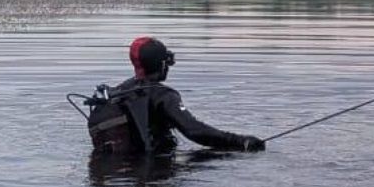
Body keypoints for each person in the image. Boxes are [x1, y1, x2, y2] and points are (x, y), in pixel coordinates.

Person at [86, 37, 265, 155]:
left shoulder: (120, 91)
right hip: (153, 168)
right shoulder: (163, 96)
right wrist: (242, 142)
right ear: (162, 65)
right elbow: (195, 131)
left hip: (115, 170)